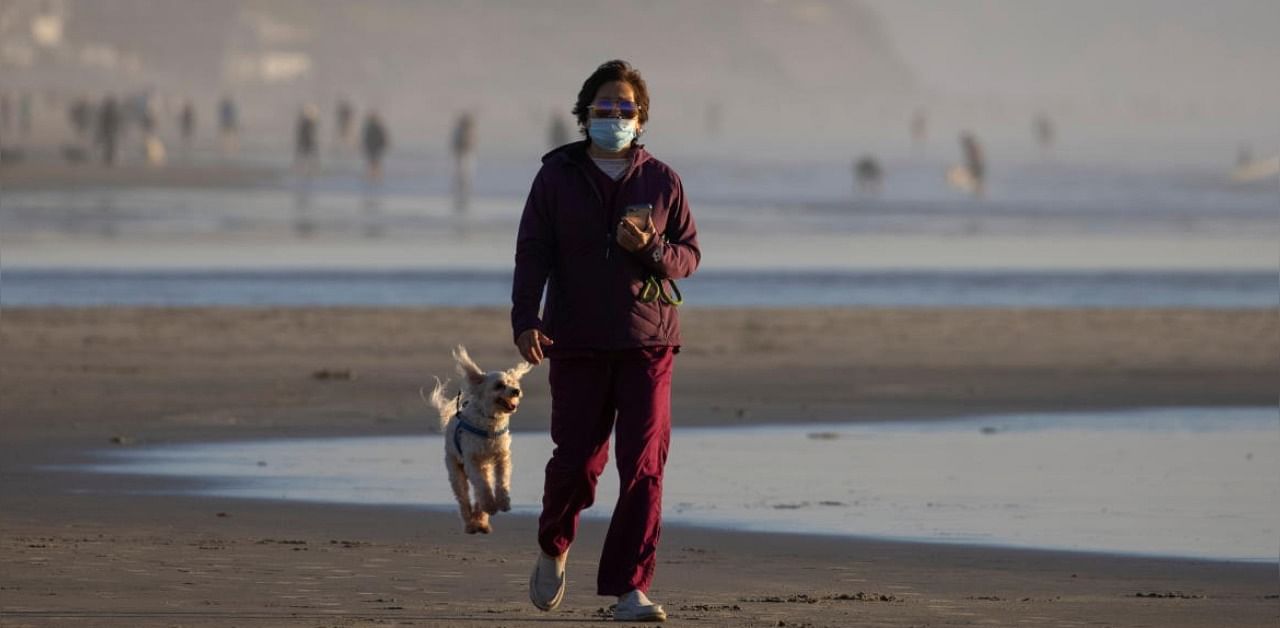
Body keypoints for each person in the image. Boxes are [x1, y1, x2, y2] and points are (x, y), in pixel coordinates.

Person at [512, 59, 700, 623]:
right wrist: (526, 318)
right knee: (577, 463)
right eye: (603, 109)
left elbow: (688, 254)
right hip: (577, 341)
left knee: (643, 465)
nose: (613, 117)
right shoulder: (555, 178)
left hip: (649, 342)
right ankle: (554, 542)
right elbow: (532, 251)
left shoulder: (662, 179)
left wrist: (652, 250)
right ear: (585, 115)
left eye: (625, 109)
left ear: (640, 119)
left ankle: (630, 588)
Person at [361, 111, 388, 182]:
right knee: (373, 162)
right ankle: (373, 176)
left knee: (374, 162)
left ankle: (374, 176)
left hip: (374, 148)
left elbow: (382, 138)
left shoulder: (372, 128)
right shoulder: (370, 128)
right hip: (373, 148)